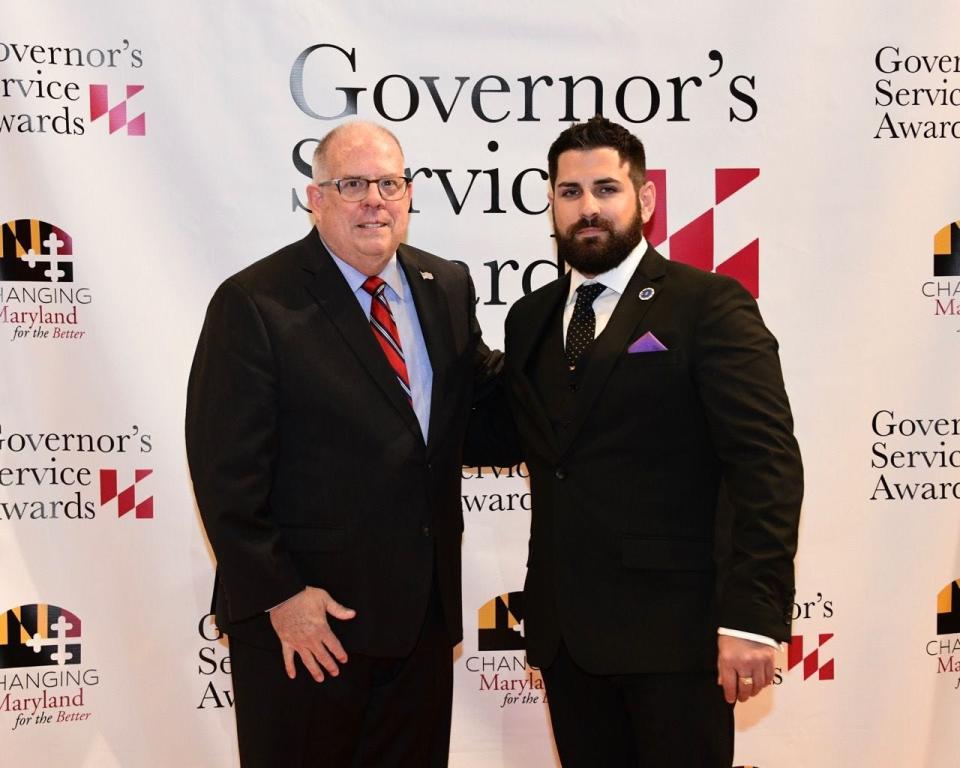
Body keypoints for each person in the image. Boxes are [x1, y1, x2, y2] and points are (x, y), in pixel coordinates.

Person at [468, 116, 803, 767]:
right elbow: (510, 432)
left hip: (677, 640)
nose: (587, 207)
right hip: (567, 640)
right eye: (569, 192)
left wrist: (752, 618)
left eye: (606, 188)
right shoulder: (532, 316)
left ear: (644, 200)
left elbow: (765, 465)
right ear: (551, 203)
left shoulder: (708, 305)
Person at [186, 121, 499, 767]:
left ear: (408, 195)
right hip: (307, 627)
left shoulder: (447, 286)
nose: (373, 200)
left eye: (389, 183)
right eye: (352, 184)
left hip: (419, 623)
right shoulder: (256, 302)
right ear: (315, 197)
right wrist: (281, 595)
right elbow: (225, 473)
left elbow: (484, 417)